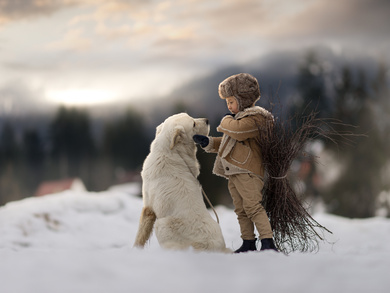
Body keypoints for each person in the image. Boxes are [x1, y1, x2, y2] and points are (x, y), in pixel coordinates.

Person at [193, 73, 278, 253]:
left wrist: (225, 119)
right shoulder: (238, 119)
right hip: (234, 172)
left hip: (248, 172)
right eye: (227, 103)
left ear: (244, 99)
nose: (229, 106)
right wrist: (208, 142)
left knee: (253, 207)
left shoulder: (256, 118)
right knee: (241, 210)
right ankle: (248, 241)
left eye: (231, 101)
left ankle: (268, 242)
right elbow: (227, 142)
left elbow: (237, 131)